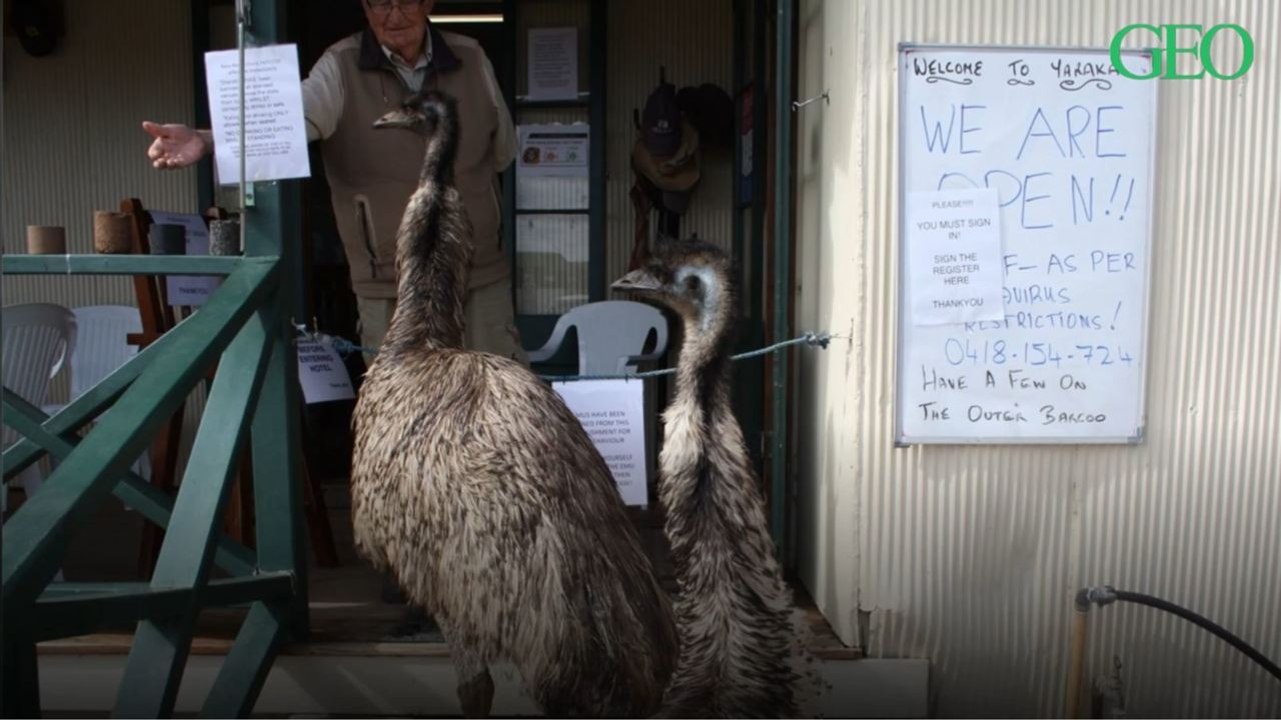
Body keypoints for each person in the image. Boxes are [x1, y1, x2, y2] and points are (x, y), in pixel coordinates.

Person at [142, 0, 527, 366]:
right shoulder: (340, 66)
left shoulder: (472, 57)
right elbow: (284, 121)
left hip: (479, 276)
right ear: (365, 8)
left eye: (406, 2)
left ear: (428, 4)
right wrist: (206, 139)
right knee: (400, 412)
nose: (394, 15)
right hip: (388, 282)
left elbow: (502, 151)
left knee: (497, 406)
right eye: (380, 3)